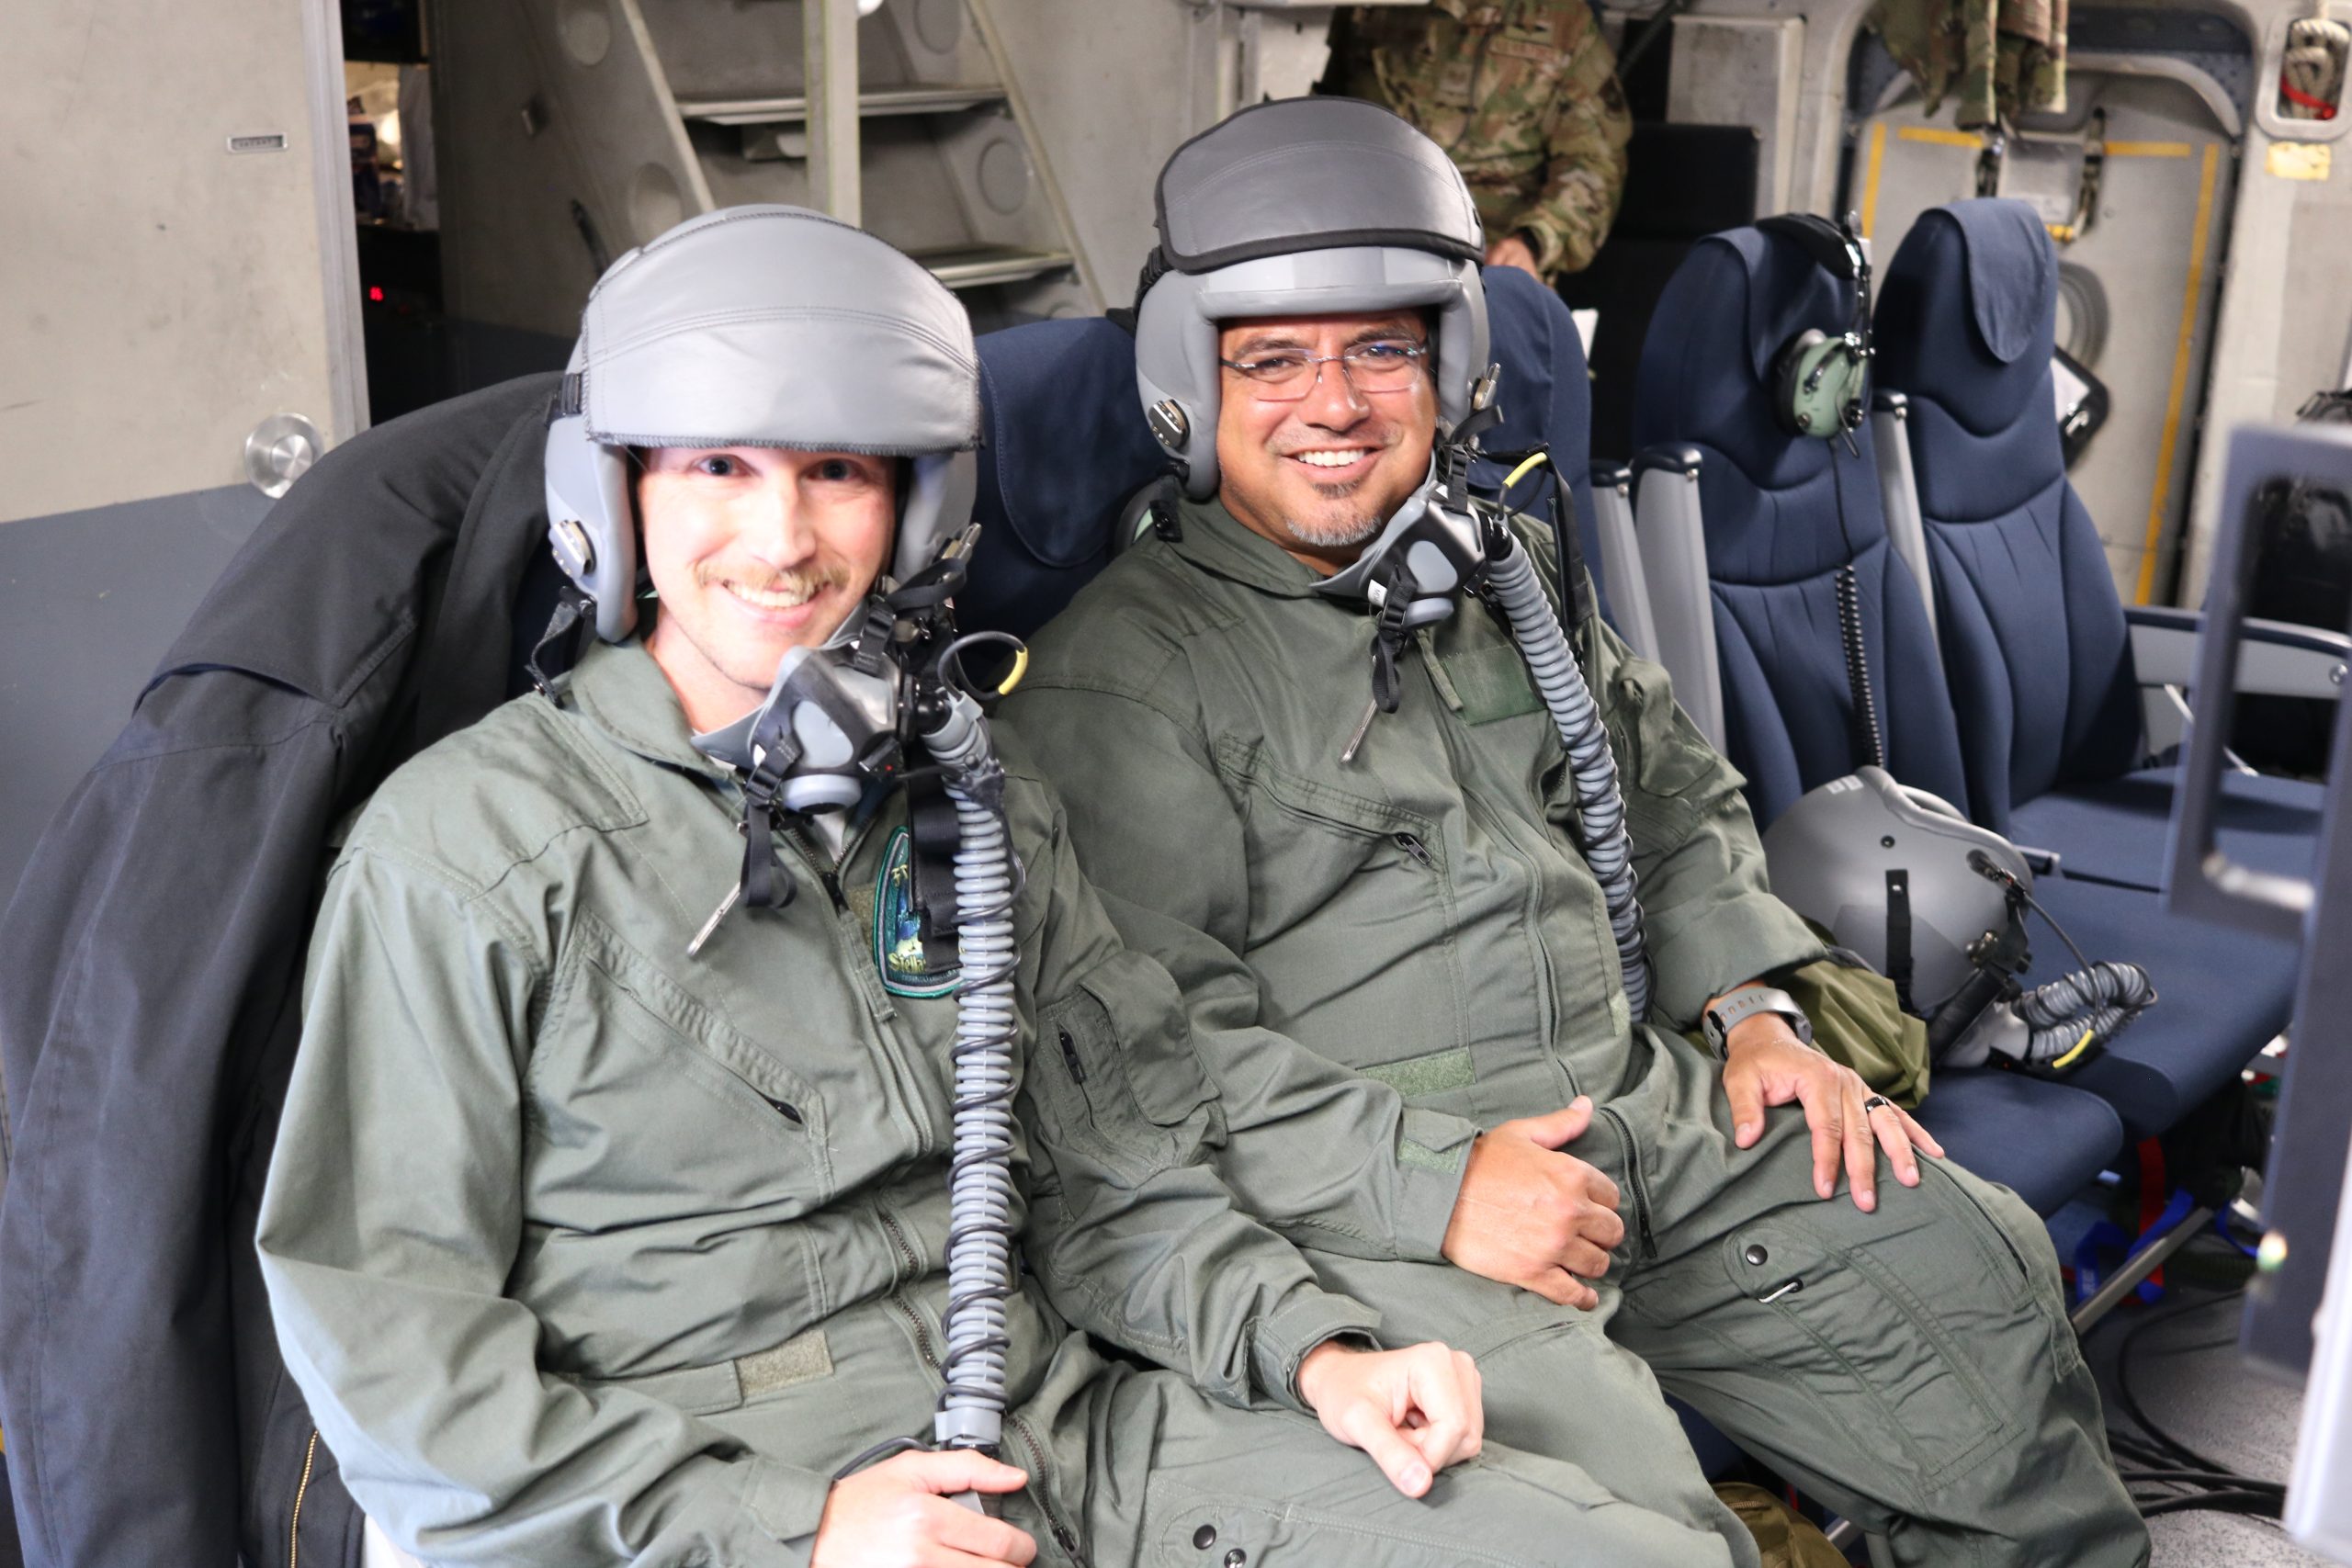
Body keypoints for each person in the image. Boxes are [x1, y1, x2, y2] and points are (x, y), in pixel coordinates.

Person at [254, 204, 1753, 1568]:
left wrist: (1319, 1351)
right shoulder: (464, 855)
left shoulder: (972, 794)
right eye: (718, 466)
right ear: (617, 496)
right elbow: (402, 1359)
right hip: (720, 1479)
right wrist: (793, 1528)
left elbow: (1122, 1167)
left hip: (1061, 1429)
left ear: (913, 511)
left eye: (836, 471)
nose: (779, 538)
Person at [1003, 100, 2149, 1567]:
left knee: (1968, 1267)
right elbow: (1146, 1056)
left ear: (1454, 368)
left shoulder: (1504, 574)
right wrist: (1440, 1183)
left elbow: (1669, 794)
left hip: (1637, 1104)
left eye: (1381, 349)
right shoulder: (1123, 680)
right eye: (1272, 360)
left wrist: (1751, 1010)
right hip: (1373, 1196)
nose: (1334, 403)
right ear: (1187, 385)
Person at [1324, 0, 1632, 281]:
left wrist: (1533, 241)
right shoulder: (1368, 8)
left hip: (1492, 260)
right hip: (1367, 247)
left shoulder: (1563, 19)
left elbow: (1594, 160)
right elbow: (1321, 121)